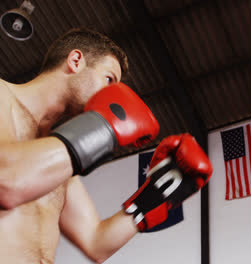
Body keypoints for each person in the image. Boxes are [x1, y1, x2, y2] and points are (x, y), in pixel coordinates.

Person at [0, 27, 212, 264]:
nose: (111, 95)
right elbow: (6, 181)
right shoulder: (3, 96)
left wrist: (154, 195)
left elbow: (95, 242)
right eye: (108, 79)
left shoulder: (54, 157)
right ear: (76, 60)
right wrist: (103, 130)